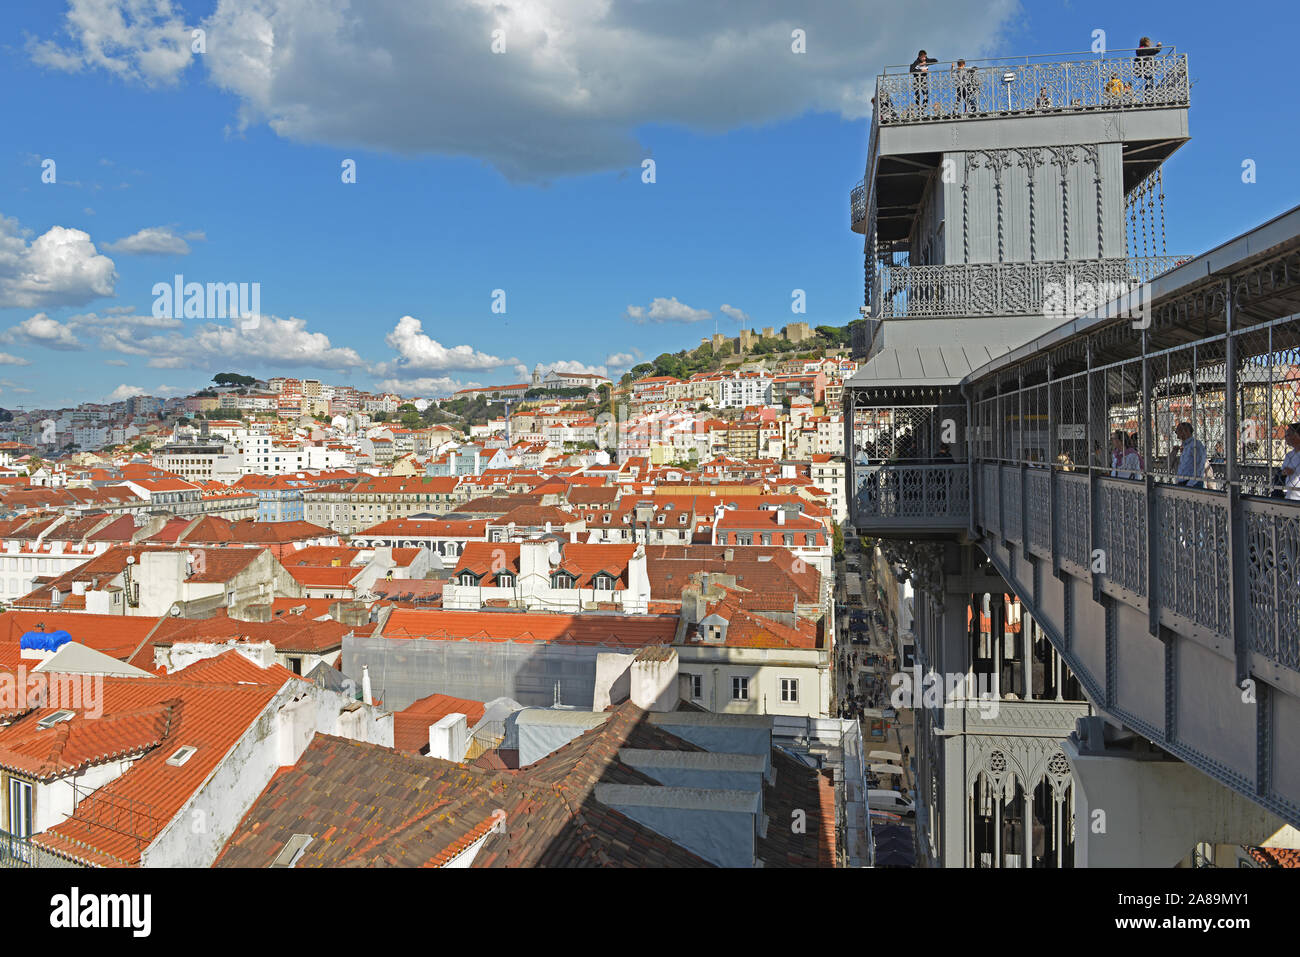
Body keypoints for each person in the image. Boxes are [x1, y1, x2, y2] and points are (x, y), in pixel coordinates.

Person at [1174, 422, 1207, 488]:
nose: (1176, 432)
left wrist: (1190, 485)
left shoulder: (1196, 445)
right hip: (1184, 482)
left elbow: (1199, 466)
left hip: (1192, 483)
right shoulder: (1186, 446)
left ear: (1185, 431)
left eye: (1178, 430)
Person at [1280, 423, 1300, 500]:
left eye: (1288, 435)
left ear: (1297, 436)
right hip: (1290, 496)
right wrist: (1285, 472)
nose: (1285, 437)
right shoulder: (1289, 455)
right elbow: (1282, 472)